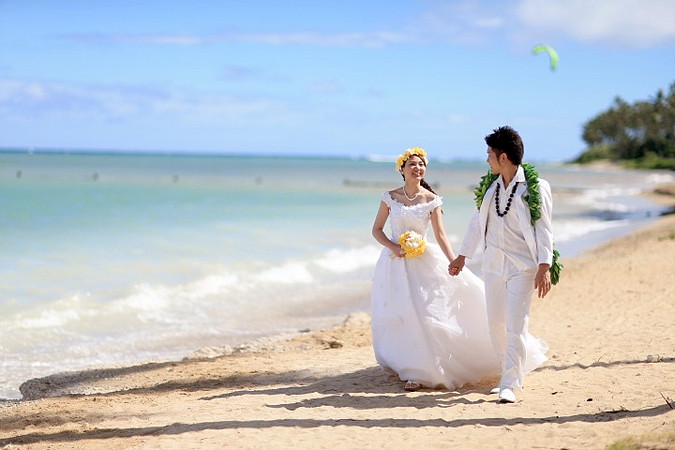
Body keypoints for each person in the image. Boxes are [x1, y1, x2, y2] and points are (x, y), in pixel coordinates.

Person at [370, 147, 544, 393]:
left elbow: (440, 234)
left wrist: (454, 260)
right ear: (402, 169)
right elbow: (377, 230)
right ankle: (405, 363)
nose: (418, 168)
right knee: (401, 314)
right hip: (394, 263)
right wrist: (394, 247)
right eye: (412, 164)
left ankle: (418, 372)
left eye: (421, 164)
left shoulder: (431, 199)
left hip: (423, 260)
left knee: (425, 315)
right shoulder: (390, 197)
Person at [449, 126, 551, 403]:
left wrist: (544, 266)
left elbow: (544, 229)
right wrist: (462, 256)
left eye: (489, 154)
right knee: (495, 323)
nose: (487, 160)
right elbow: (476, 223)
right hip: (493, 265)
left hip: (522, 267)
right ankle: (508, 371)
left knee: (515, 325)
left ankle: (510, 383)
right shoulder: (490, 188)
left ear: (503, 157)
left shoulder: (535, 188)